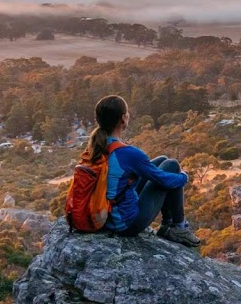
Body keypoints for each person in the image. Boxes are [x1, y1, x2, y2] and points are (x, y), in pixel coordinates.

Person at [86, 95, 200, 247]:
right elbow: (164, 180)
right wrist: (184, 177)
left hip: (106, 215)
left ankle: (168, 224)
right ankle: (179, 226)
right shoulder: (128, 153)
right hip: (125, 224)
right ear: (123, 118)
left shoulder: (95, 147)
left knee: (161, 160)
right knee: (171, 165)